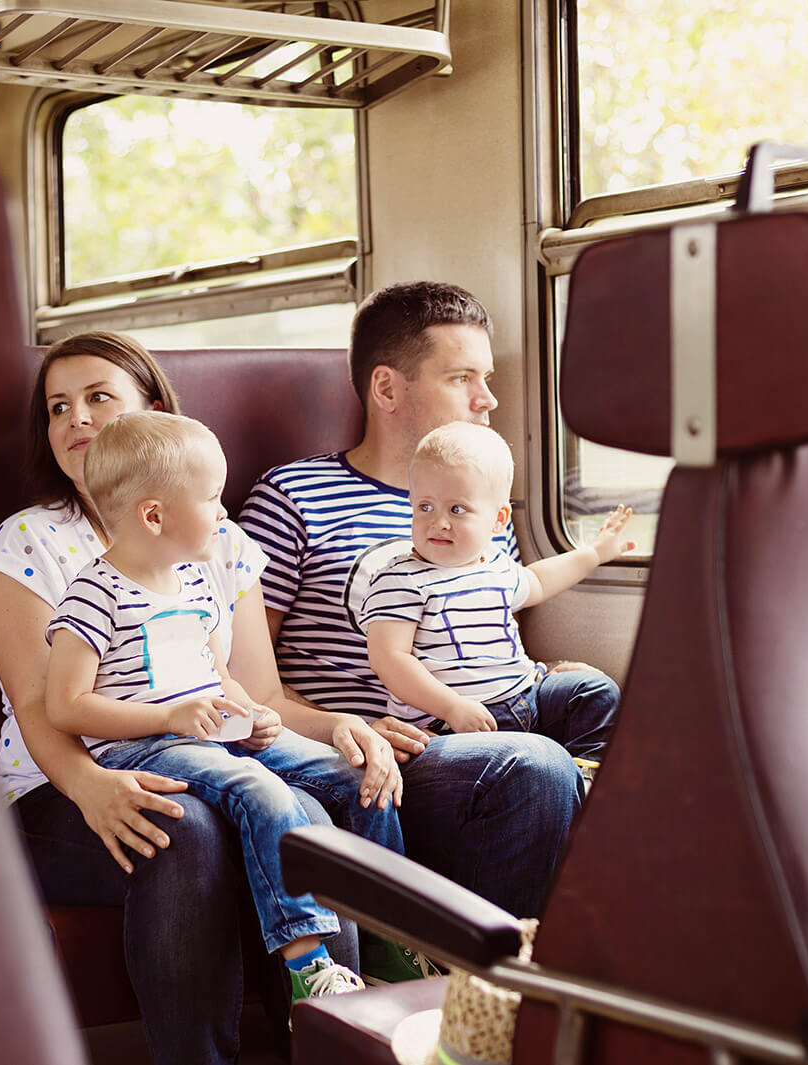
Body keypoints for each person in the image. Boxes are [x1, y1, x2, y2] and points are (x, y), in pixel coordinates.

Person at [0, 331, 402, 1065]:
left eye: (99, 397)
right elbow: (45, 704)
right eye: (57, 407)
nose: (75, 419)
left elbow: (240, 685)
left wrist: (338, 727)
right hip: (63, 778)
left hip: (203, 743)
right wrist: (93, 786)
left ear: (156, 412)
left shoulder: (215, 539)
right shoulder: (31, 543)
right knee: (183, 823)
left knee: (327, 796)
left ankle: (355, 1013)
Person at [238, 281, 594, 919]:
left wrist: (540, 677)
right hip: (383, 754)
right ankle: (487, 992)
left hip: (485, 718)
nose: (487, 400)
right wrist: (347, 730)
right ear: (386, 389)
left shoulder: (482, 501)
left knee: (625, 708)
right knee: (534, 766)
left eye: (485, 378)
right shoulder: (292, 497)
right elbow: (243, 683)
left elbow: (489, 627)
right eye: (462, 378)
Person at [46, 410, 407, 1003]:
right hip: (146, 746)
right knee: (263, 792)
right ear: (153, 516)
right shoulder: (93, 593)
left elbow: (218, 679)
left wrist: (252, 715)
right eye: (213, 498)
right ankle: (308, 965)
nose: (224, 512)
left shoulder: (195, 581)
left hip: (215, 733)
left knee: (358, 773)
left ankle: (394, 937)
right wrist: (168, 717)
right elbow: (66, 706)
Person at [360, 422, 631, 767]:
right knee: (524, 762)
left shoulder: (497, 567)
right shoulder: (401, 578)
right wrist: (451, 707)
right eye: (425, 507)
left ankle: (591, 779)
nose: (438, 522)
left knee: (595, 689)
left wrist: (593, 553)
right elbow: (389, 658)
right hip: (446, 723)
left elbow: (539, 581)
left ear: (498, 519)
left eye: (456, 510)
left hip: (525, 694)